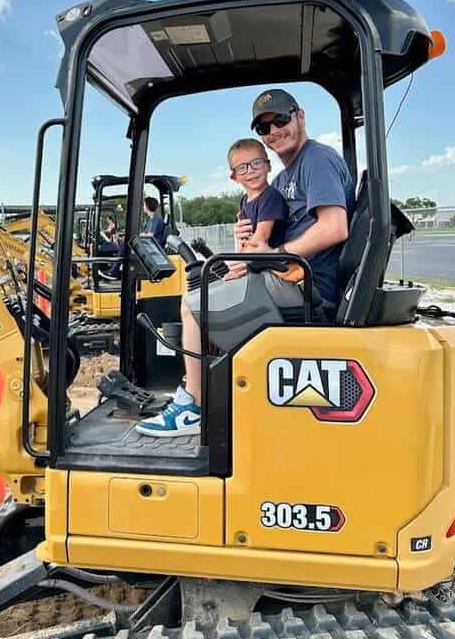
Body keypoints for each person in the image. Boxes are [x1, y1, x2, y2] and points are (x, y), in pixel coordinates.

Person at [136, 88, 354, 438]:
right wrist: (245, 241)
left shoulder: (317, 160)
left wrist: (270, 256)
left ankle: (192, 402)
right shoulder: (283, 179)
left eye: (280, 119)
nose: (274, 131)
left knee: (193, 306)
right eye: (265, 128)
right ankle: (211, 391)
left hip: (306, 286)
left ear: (300, 116)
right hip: (286, 276)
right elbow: (266, 234)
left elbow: (334, 227)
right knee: (207, 288)